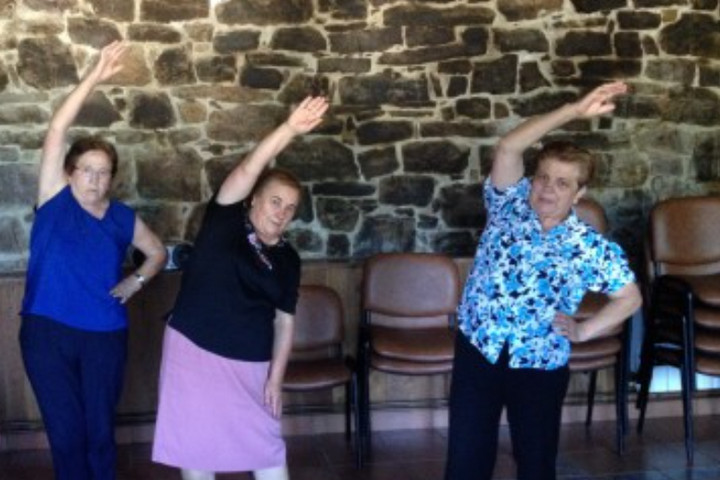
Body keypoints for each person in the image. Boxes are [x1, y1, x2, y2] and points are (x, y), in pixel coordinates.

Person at [444, 81, 643, 480]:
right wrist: (573, 110)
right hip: (479, 348)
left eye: (562, 182)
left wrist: (585, 332)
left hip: (538, 362)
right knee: (465, 462)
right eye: (543, 177)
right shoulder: (507, 205)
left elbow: (630, 298)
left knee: (535, 465)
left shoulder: (589, 246)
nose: (548, 189)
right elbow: (508, 148)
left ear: (580, 193)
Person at [152, 95, 329, 480]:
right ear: (252, 201)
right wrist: (288, 130)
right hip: (194, 351)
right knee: (197, 455)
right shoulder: (224, 224)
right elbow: (250, 167)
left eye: (289, 208)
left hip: (252, 363)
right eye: (274, 202)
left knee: (268, 455)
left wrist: (276, 380)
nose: (281, 213)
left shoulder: (288, 259)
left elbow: (284, 322)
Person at [19, 41, 167, 480]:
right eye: (87, 169)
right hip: (47, 334)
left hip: (105, 336)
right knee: (67, 436)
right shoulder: (54, 201)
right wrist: (95, 77)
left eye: (103, 172)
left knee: (100, 434)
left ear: (112, 178)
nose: (95, 179)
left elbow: (157, 252)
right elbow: (55, 131)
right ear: (69, 172)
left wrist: (135, 282)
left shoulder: (122, 217)